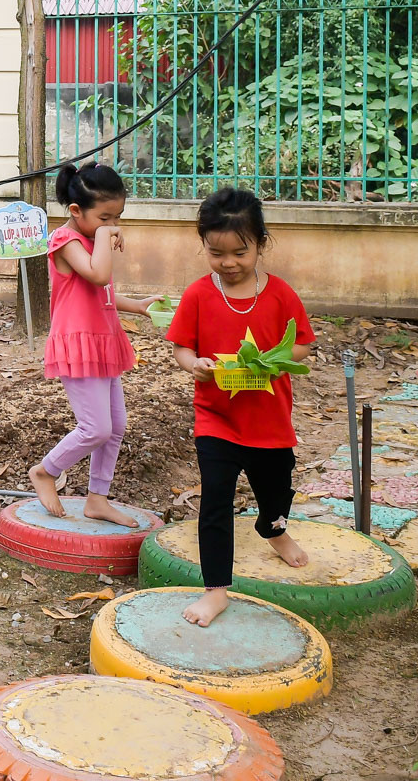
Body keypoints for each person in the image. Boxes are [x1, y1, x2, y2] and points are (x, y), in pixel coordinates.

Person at [165, 187, 315, 627]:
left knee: (276, 491)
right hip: (216, 418)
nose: (228, 262)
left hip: (269, 421)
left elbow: (304, 342)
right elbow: (182, 348)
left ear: (260, 245)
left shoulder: (281, 295)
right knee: (215, 501)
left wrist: (276, 360)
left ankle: (272, 528)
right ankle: (216, 590)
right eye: (216, 253)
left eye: (239, 252)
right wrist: (197, 365)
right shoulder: (197, 295)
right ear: (205, 248)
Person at [28, 163, 160, 525]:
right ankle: (45, 471)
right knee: (95, 428)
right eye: (105, 217)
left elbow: (101, 288)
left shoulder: (91, 238)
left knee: (115, 427)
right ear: (75, 211)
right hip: (78, 343)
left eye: (117, 216)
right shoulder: (65, 241)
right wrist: (104, 237)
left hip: (104, 340)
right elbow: (98, 273)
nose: (113, 225)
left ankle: (97, 498)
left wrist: (138, 307)